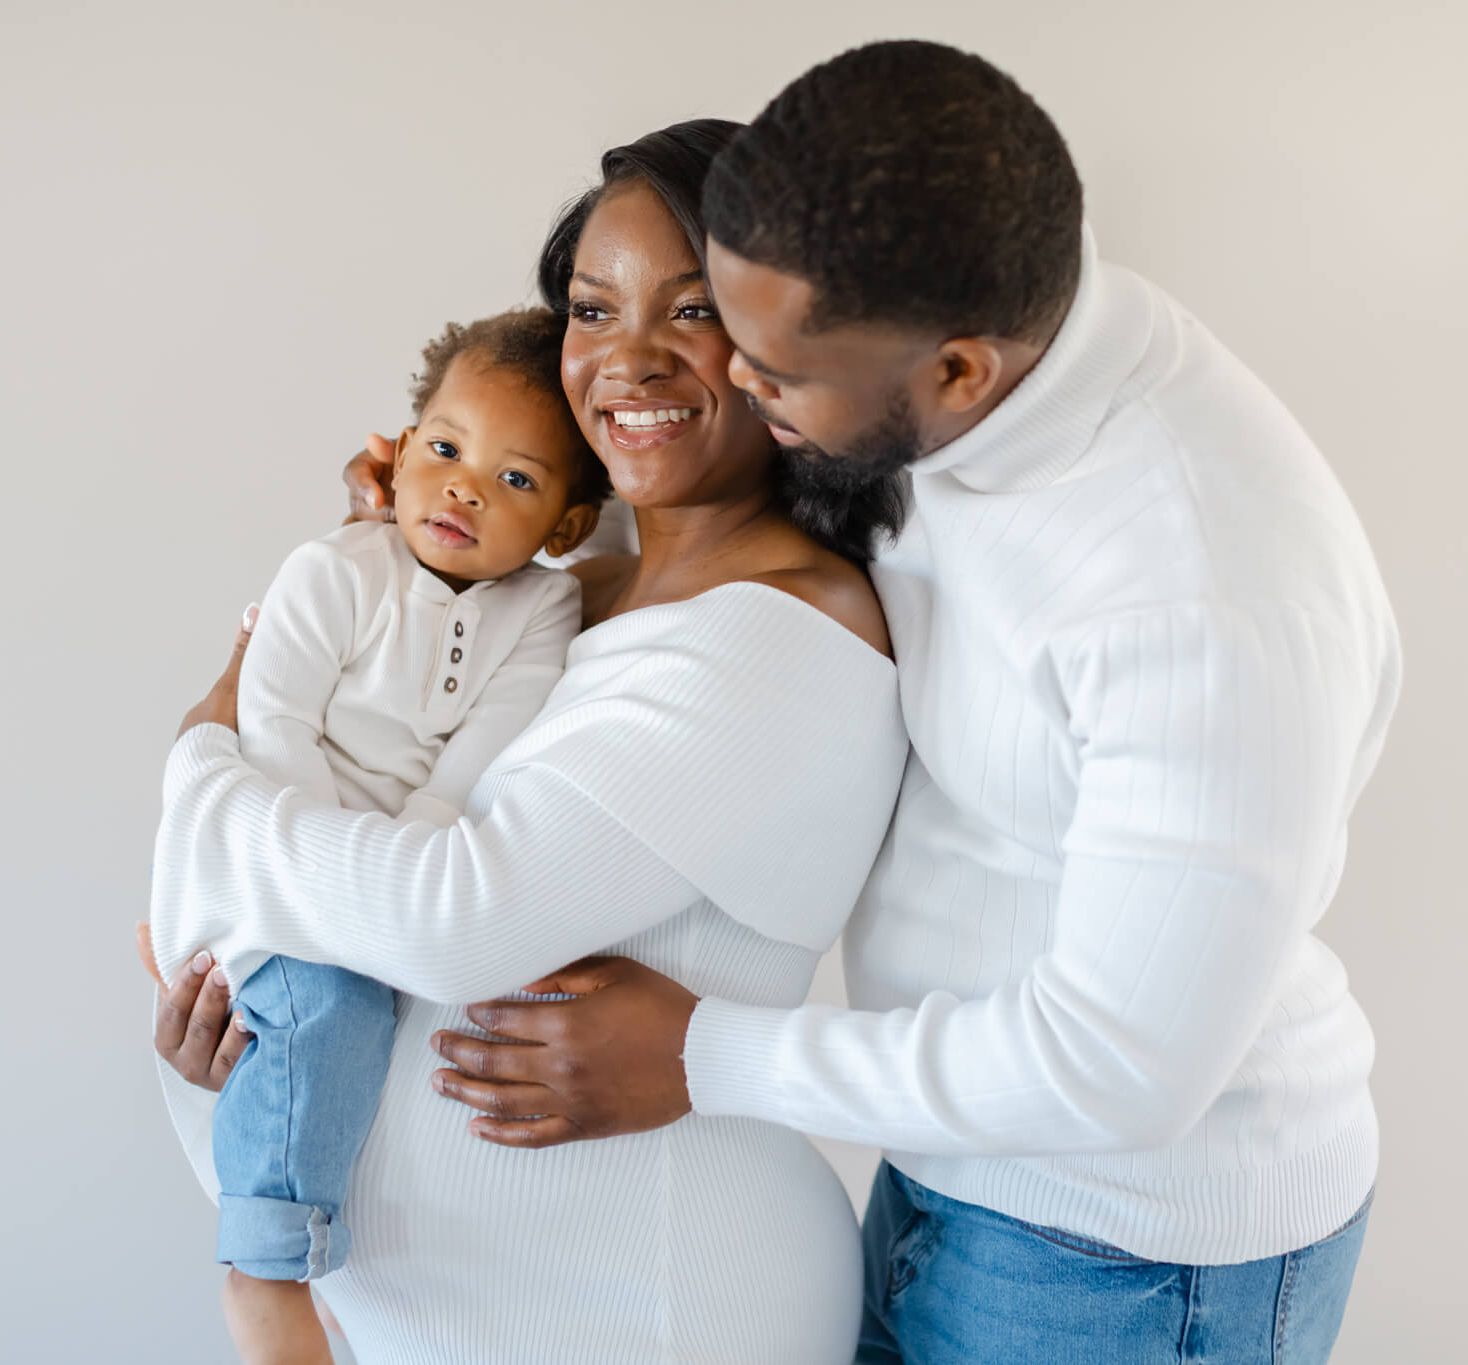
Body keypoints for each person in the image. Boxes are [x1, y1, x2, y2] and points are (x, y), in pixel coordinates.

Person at [424, 42, 1403, 1365]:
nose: (742, 392)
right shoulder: (971, 318)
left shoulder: (1194, 593)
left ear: (957, 373)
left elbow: (1122, 1067)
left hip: (1128, 1248)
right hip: (949, 1158)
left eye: (772, 372)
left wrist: (710, 1057)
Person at [146, 119, 908, 1364]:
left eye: (693, 308)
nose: (628, 360)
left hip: (648, 1311)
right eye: (592, 310)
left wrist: (201, 781)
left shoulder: (778, 634)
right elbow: (352, 743)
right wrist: (240, 999)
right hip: (442, 1318)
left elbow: (452, 921)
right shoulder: (569, 591)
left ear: (791, 335)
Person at [148, 307, 610, 1362]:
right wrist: (348, 883)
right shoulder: (336, 568)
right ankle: (264, 1268)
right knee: (325, 1010)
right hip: (270, 863)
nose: (465, 488)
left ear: (567, 526)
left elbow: (479, 756)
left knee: (355, 1014)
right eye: (445, 451)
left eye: (517, 480)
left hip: (390, 872)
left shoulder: (539, 612)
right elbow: (270, 729)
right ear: (393, 457)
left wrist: (409, 862)